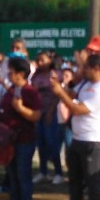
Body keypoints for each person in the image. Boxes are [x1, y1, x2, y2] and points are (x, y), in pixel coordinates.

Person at [50, 54, 100, 200]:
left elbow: (78, 109)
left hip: (93, 140)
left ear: (96, 69)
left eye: (86, 68)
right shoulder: (86, 83)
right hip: (77, 137)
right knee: (75, 180)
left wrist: (61, 94)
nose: (82, 71)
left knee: (92, 182)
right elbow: (72, 94)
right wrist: (61, 87)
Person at [0, 56, 42, 200]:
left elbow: (36, 115)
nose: (9, 74)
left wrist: (21, 109)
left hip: (24, 139)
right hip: (9, 140)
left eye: (12, 72)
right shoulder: (11, 90)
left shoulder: (30, 91)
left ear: (21, 74)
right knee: (12, 174)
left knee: (23, 174)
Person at [29, 50, 64, 186]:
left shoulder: (55, 74)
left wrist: (51, 111)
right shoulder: (36, 76)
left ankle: (58, 172)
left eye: (43, 60)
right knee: (41, 142)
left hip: (51, 112)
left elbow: (57, 95)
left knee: (51, 142)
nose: (40, 62)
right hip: (38, 111)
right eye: (38, 60)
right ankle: (43, 171)